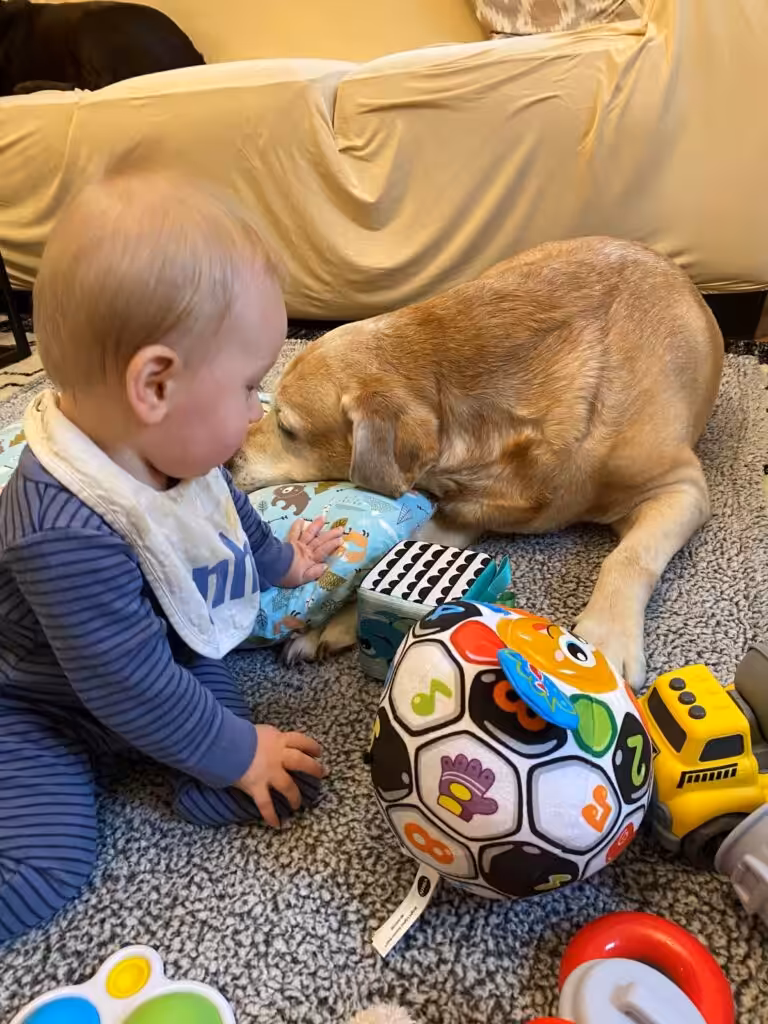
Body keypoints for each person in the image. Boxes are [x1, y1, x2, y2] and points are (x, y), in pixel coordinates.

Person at [0, 169, 342, 943]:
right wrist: (234, 752)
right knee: (46, 868)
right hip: (39, 706)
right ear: (155, 384)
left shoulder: (176, 449)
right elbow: (130, 687)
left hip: (153, 657)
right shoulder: (61, 526)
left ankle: (196, 767)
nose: (257, 413)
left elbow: (223, 519)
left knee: (238, 709)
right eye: (251, 387)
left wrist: (283, 562)